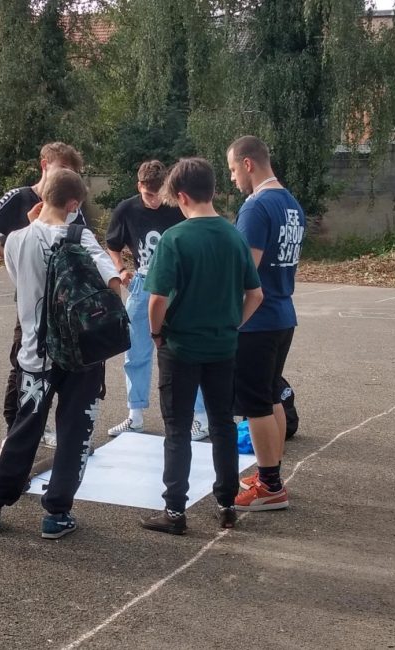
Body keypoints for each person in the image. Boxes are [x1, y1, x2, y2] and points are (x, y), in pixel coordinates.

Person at [0, 168, 121, 539]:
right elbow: (113, 282)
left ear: (41, 199)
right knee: (75, 433)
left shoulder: (17, 240)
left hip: (35, 352)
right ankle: (57, 512)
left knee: (26, 426)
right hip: (82, 355)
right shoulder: (81, 236)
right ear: (73, 203)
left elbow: (19, 281)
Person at [138, 157, 262, 535]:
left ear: (180, 196)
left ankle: (175, 510)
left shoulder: (176, 238)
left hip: (181, 347)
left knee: (177, 430)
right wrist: (231, 324)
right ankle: (226, 503)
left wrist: (156, 333)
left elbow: (156, 299)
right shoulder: (233, 235)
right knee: (223, 425)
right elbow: (254, 294)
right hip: (223, 346)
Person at [0, 142, 90, 445]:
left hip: (64, 305)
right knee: (24, 361)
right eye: (63, 170)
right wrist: (14, 259)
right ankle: (15, 428)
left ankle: (45, 424)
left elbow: (84, 246)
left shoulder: (71, 204)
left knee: (60, 363)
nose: (67, 177)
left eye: (73, 173)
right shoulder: (20, 197)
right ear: (44, 165)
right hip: (32, 299)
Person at [226, 135, 306, 513]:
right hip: (282, 315)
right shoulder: (291, 204)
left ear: (247, 164)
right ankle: (269, 475)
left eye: (231, 170)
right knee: (271, 396)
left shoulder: (256, 207)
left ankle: (270, 485)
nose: (231, 180)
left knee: (256, 404)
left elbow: (246, 272)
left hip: (257, 321)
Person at [103, 161, 209, 440]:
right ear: (139, 186)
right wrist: (122, 269)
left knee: (185, 349)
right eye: (149, 195)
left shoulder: (177, 207)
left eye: (158, 194)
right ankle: (134, 416)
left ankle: (200, 417)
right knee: (135, 350)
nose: (154, 200)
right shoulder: (126, 209)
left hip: (176, 285)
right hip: (143, 282)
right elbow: (112, 245)